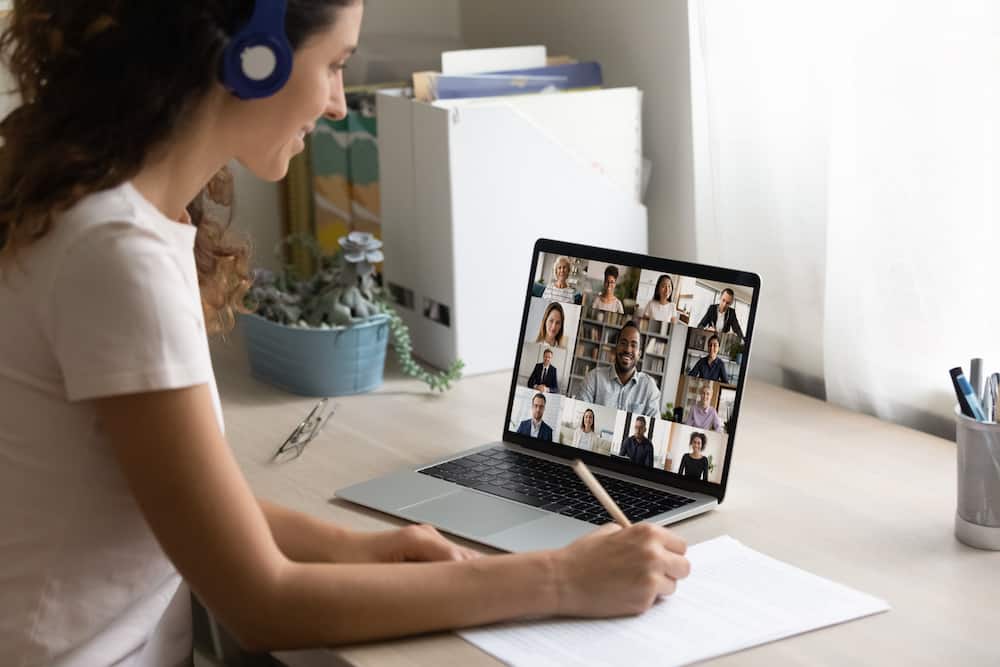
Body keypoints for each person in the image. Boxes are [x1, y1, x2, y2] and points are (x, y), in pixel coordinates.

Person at [0, 3, 690, 663]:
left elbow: (192, 513)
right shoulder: (117, 252)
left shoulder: (114, 211)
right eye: (334, 64)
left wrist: (355, 549)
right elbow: (260, 600)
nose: (337, 103)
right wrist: (562, 579)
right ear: (253, 57)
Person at [577, 321, 661, 417]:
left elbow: (654, 425)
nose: (628, 349)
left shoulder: (649, 387)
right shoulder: (594, 378)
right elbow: (581, 417)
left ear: (639, 354)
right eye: (623, 343)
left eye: (633, 345)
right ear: (616, 347)